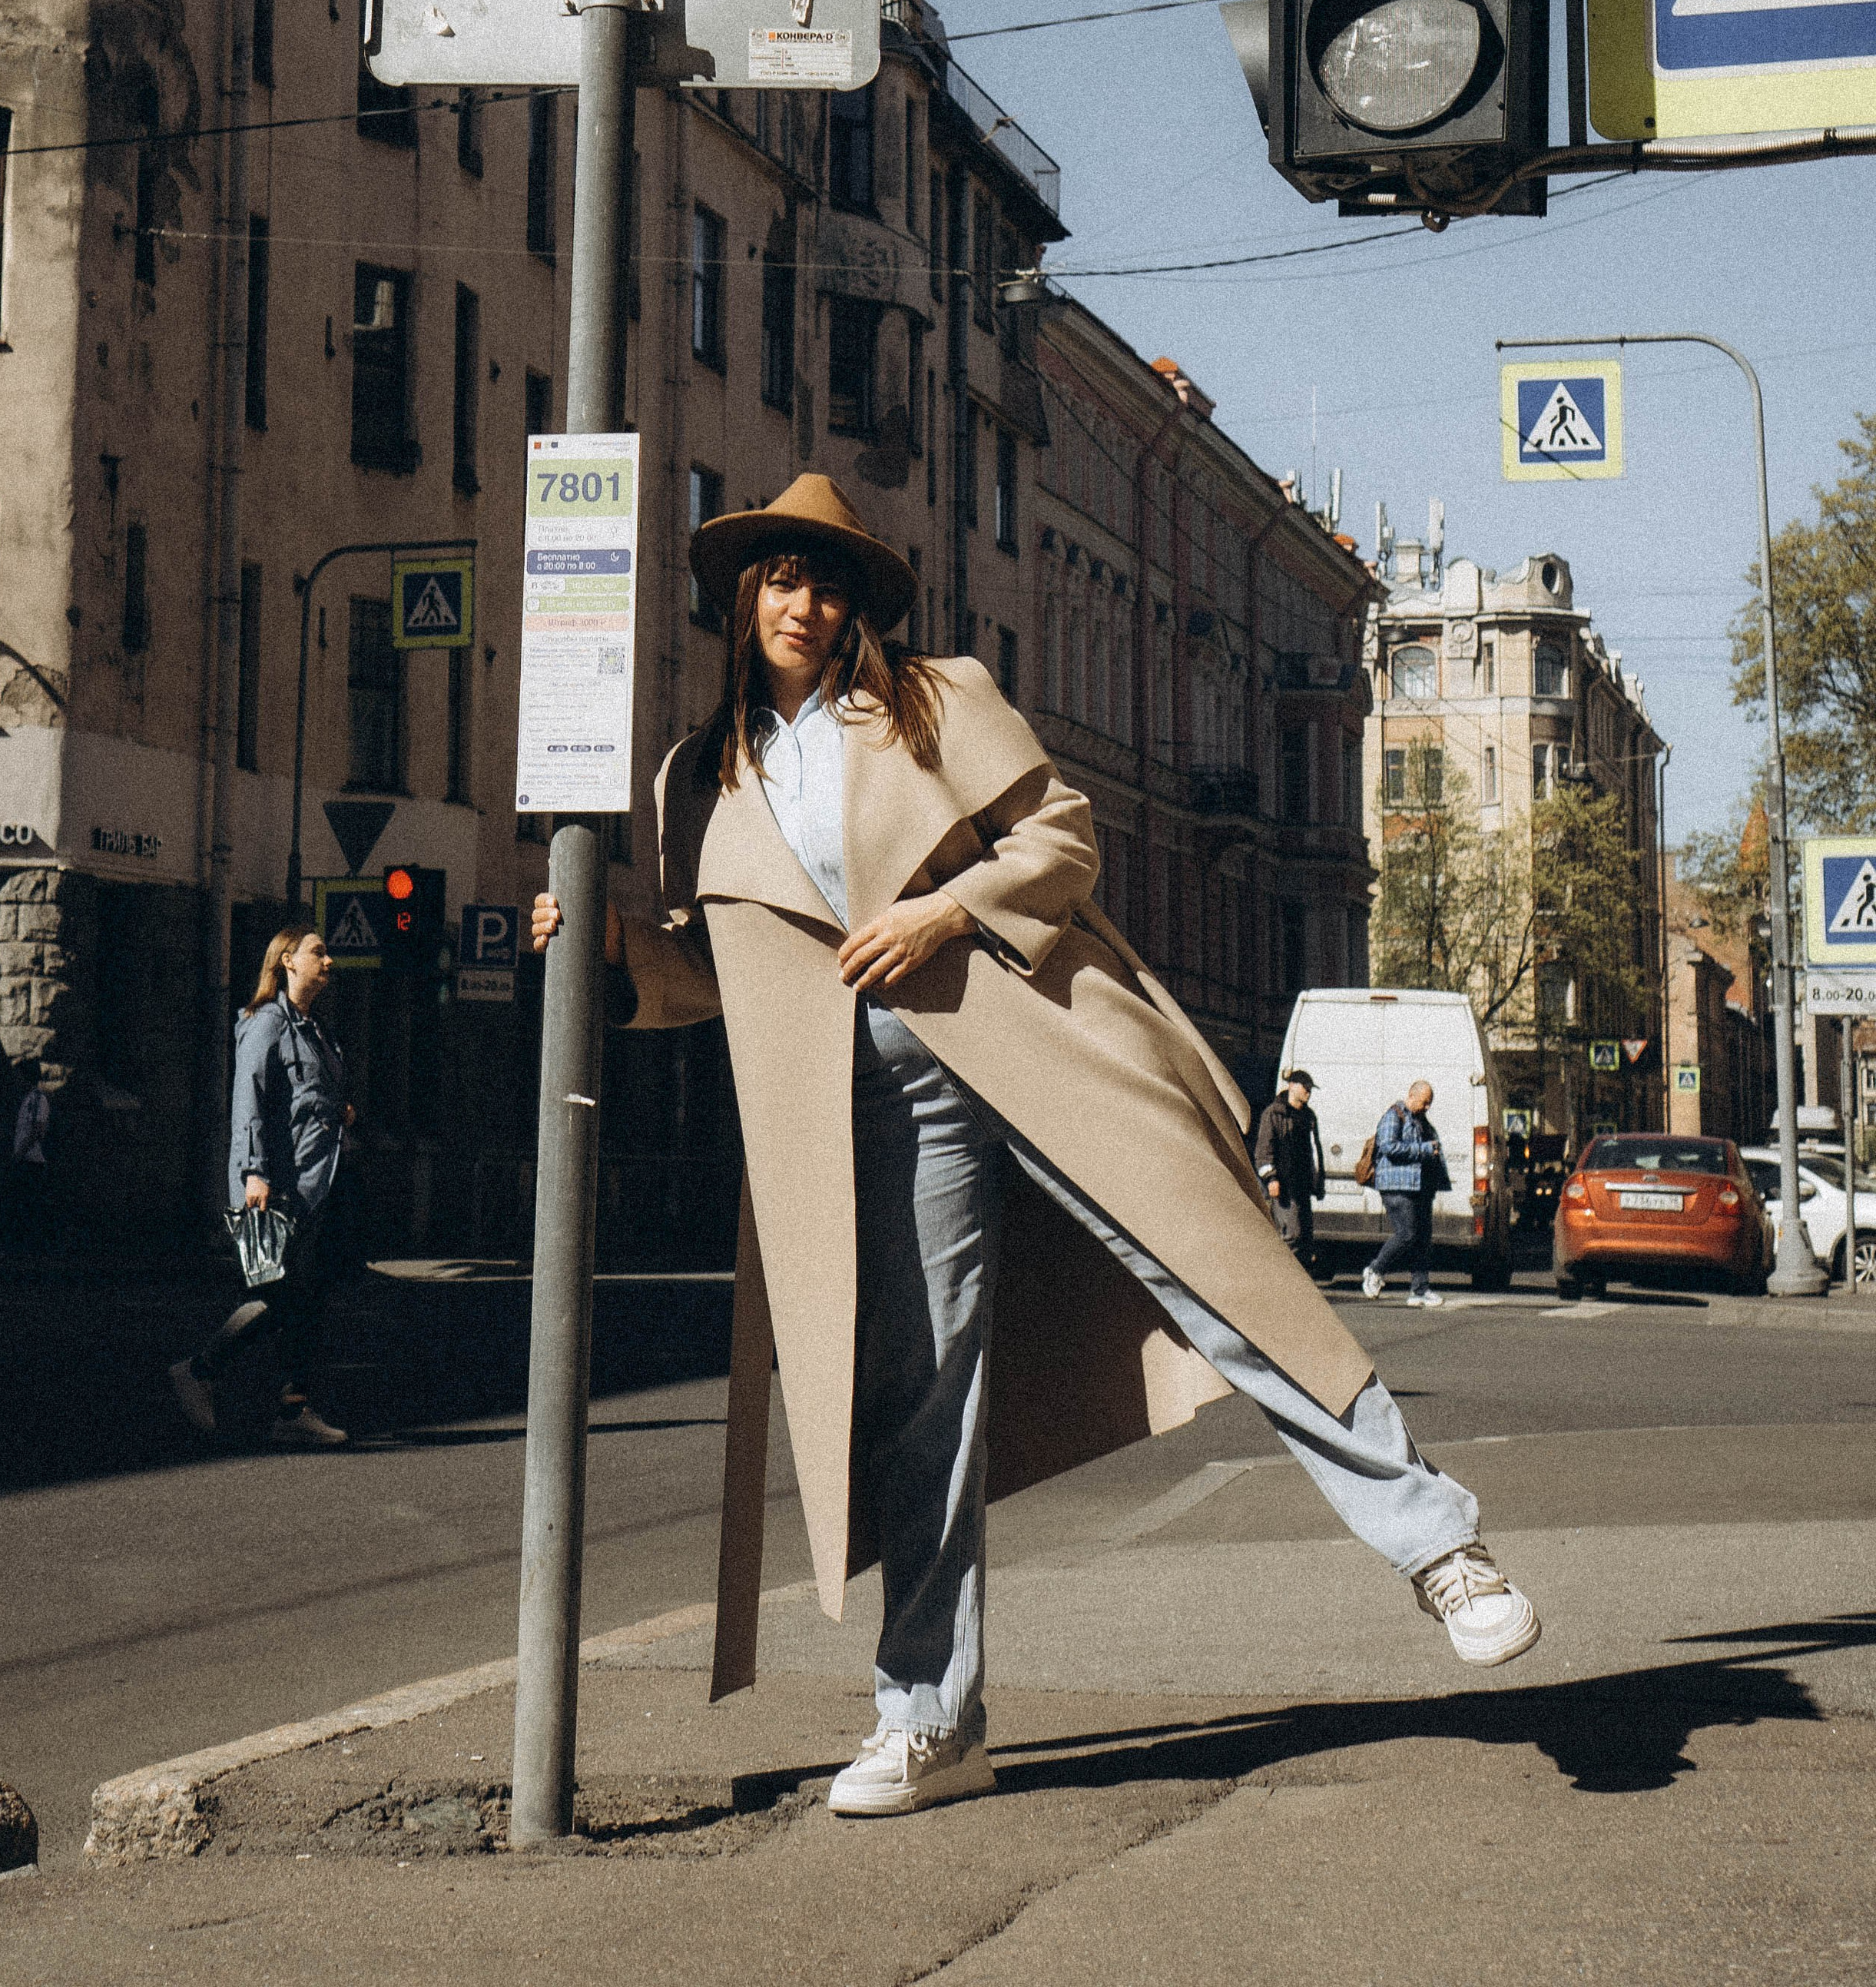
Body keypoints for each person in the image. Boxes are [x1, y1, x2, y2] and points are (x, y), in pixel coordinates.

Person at [535, 476, 1539, 1820]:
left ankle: (1441, 1548)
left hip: (1029, 1032)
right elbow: (711, 972)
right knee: (919, 1402)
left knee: (1221, 1277)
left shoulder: (931, 700)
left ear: (856, 606)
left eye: (826, 584)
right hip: (867, 1107)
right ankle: (932, 1720)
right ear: (742, 598)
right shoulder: (695, 776)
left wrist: (943, 912)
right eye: (780, 581)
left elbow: (1063, 840)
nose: (803, 605)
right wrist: (605, 943)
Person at [168, 927, 356, 1448]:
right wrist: (254, 1172)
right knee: (279, 1295)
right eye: (318, 952)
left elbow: (306, 1096)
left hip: (317, 1182)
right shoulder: (266, 1023)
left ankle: (293, 1410)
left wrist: (339, 1112)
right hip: (278, 1186)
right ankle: (200, 1370)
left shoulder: (315, 1030)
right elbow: (247, 1098)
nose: (329, 962)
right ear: (287, 961)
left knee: (308, 1297)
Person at [1363, 1081, 1447, 1308]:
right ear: (1412, 1095)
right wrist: (1425, 1149)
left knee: (1422, 1239)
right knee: (1407, 1234)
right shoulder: (1394, 1116)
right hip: (1396, 1186)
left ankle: (1420, 1290)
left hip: (1419, 1187)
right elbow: (1388, 1147)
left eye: (1430, 1103)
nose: (1428, 1107)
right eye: (1425, 1102)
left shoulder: (1419, 1120)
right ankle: (1375, 1270)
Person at [1254, 1069, 1325, 1268]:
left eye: (1310, 1089)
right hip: (1284, 1186)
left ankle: (1301, 1277)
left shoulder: (1309, 1116)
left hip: (1303, 1185)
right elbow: (1263, 1151)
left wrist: (1318, 1181)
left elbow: (1315, 1151)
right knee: (1291, 1234)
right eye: (1305, 1088)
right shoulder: (1274, 1114)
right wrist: (1271, 1178)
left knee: (1305, 1239)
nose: (1308, 1092)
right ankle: (1281, 1274)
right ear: (1292, 1086)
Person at [8, 1057, 54, 1258]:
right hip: (25, 1159)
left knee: (30, 1204)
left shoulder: (38, 1099)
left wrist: (20, 1152)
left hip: (31, 1161)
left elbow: (38, 1130)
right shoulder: (28, 1099)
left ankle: (34, 1246)